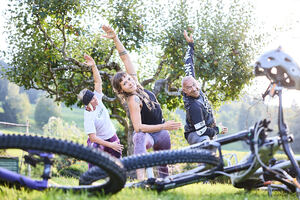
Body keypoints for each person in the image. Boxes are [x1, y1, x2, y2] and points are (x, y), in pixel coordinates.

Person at [101, 25, 182, 180]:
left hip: (162, 134)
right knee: (138, 136)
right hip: (149, 136)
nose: (129, 82)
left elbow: (125, 58)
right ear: (122, 90)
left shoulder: (138, 86)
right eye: (124, 83)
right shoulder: (133, 99)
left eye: (128, 78)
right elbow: (138, 127)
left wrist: (115, 38)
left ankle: (165, 182)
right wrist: (164, 126)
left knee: (164, 163)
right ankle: (141, 179)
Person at [182, 30, 228, 145]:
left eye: (194, 85)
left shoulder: (193, 83)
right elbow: (202, 131)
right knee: (207, 142)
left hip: (208, 130)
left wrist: (190, 45)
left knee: (216, 152)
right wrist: (217, 130)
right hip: (195, 134)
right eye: (189, 88)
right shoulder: (193, 106)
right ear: (185, 91)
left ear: (196, 82)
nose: (193, 88)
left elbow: (189, 64)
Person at [78, 54, 123, 168]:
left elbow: (98, 82)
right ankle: (90, 181)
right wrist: (110, 145)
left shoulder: (96, 98)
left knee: (118, 164)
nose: (96, 99)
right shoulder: (88, 117)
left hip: (111, 135)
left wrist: (93, 66)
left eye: (94, 96)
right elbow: (93, 138)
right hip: (98, 141)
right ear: (87, 103)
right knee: (94, 162)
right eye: (92, 99)